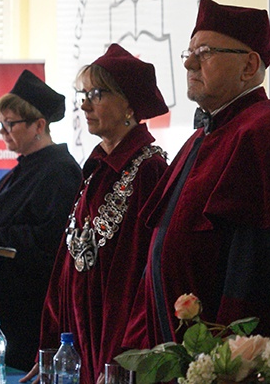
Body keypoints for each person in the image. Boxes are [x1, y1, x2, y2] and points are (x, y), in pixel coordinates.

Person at [124, 0, 270, 347]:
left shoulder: (267, 134)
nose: (189, 66)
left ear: (248, 66)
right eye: (189, 54)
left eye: (205, 53)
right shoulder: (203, 134)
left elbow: (261, 276)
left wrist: (229, 363)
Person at [38, 44, 169, 384]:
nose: (83, 104)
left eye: (96, 94)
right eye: (82, 94)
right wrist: (52, 342)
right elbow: (68, 260)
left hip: (117, 341)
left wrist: (126, 356)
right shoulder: (96, 169)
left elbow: (148, 273)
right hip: (78, 337)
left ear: (128, 103)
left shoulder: (149, 169)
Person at [0, 69, 81, 369]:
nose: (2, 131)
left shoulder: (59, 170)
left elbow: (54, 240)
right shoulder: (25, 167)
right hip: (2, 301)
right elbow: (5, 223)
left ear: (39, 125)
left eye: (10, 124)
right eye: (0, 123)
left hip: (30, 307)